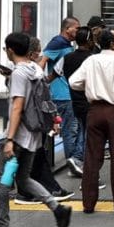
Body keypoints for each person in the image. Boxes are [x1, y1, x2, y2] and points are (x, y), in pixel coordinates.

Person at [0, 33, 72, 227]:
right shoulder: (35, 69)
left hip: (18, 136)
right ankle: (57, 209)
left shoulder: (20, 74)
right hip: (33, 136)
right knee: (23, 177)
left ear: (11, 50)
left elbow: (18, 107)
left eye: (6, 49)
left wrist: (9, 140)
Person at [68, 29, 114, 214]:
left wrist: (90, 86)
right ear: (113, 43)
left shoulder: (91, 60)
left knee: (92, 157)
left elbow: (73, 81)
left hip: (95, 111)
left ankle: (88, 204)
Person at [15, 37, 74, 205]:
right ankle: (38, 191)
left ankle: (30, 192)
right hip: (34, 121)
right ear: (32, 53)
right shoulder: (34, 71)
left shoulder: (18, 71)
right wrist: (54, 119)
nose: (41, 54)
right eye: (39, 51)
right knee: (36, 156)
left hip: (24, 121)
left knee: (34, 156)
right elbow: (44, 98)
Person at [39, 17, 82, 177]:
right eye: (76, 28)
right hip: (63, 95)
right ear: (67, 28)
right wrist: (38, 82)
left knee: (73, 130)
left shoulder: (67, 45)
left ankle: (74, 161)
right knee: (70, 130)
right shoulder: (57, 42)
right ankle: (73, 163)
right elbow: (43, 61)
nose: (77, 31)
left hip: (68, 93)